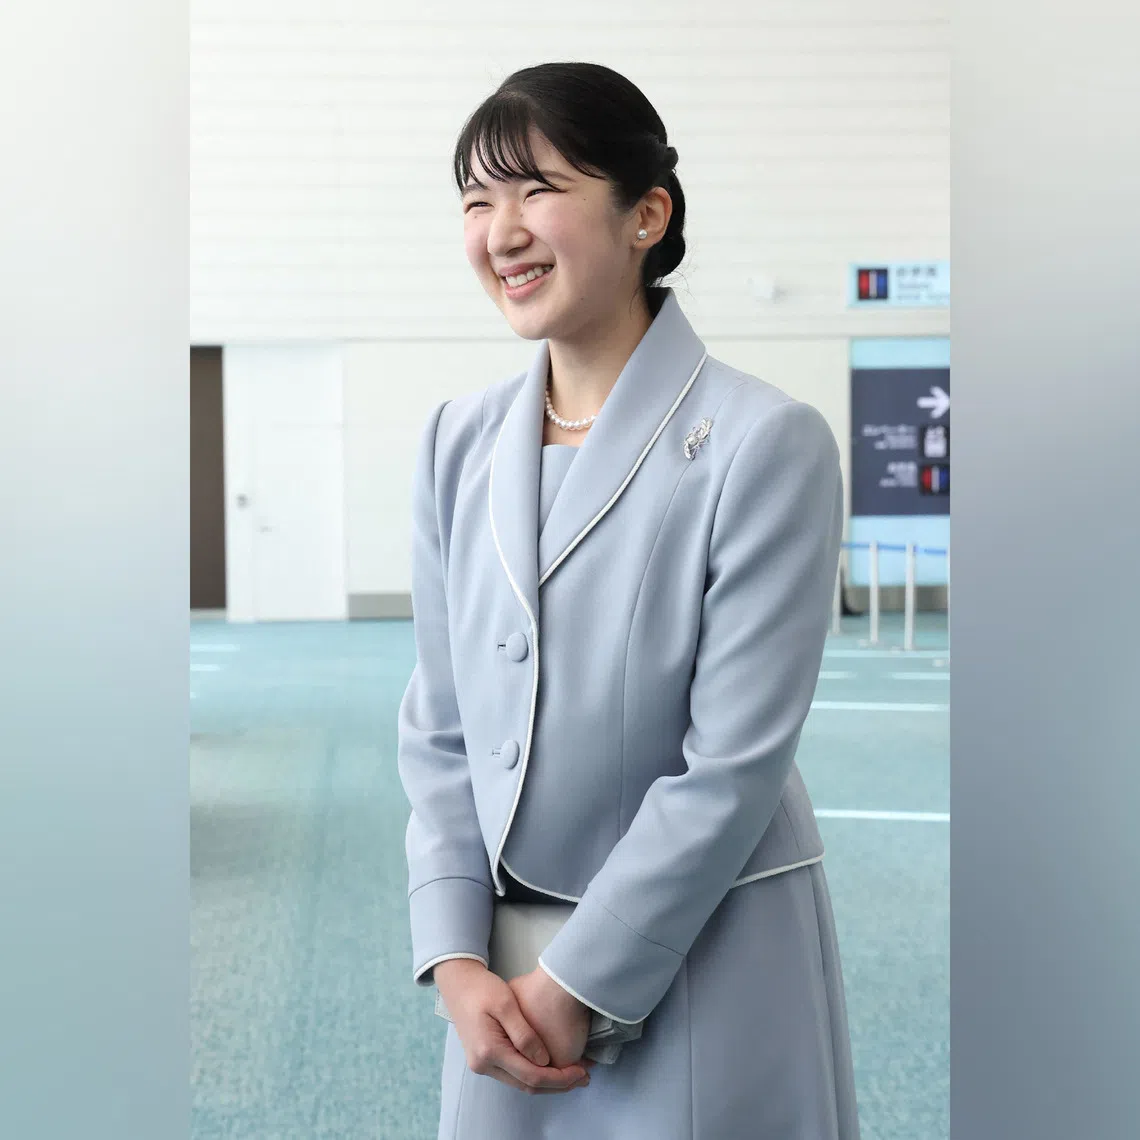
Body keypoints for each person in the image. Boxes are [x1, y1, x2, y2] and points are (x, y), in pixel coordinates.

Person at [397, 61, 861, 1139]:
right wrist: (456, 954)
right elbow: (441, 728)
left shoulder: (763, 444)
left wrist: (579, 982)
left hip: (704, 954)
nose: (500, 231)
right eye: (476, 201)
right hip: (500, 978)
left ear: (647, 213)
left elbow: (732, 764)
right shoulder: (452, 443)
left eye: (536, 190)